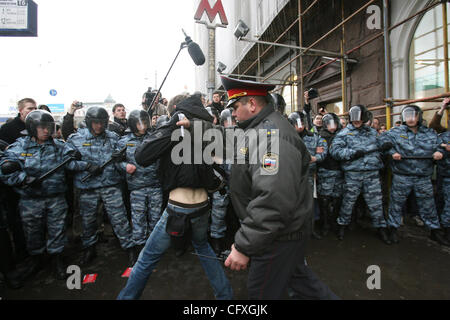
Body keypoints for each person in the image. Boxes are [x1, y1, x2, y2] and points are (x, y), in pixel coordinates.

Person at [220, 75, 338, 300]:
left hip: (277, 237)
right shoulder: (261, 129)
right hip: (280, 234)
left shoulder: (269, 135)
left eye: (235, 107)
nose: (233, 113)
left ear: (252, 104)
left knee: (261, 294)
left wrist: (244, 246)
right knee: (304, 286)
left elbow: (273, 199)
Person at [117, 94, 233, 300]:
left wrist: (171, 127)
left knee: (147, 258)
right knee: (203, 248)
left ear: (176, 111)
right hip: (202, 205)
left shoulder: (183, 131)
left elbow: (142, 156)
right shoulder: (205, 129)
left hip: (179, 207)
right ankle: (225, 296)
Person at [0, 110, 71, 280]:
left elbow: (73, 161)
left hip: (55, 197)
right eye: (41, 127)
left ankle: (57, 259)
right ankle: (36, 259)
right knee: (32, 232)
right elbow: (4, 170)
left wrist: (77, 158)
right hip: (30, 200)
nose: (46, 131)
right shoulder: (18, 147)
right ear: (32, 128)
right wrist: (23, 178)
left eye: (48, 127)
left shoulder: (60, 146)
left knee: (58, 230)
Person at [63, 106, 137, 266]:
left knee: (120, 219)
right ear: (89, 122)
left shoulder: (114, 137)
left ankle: (129, 248)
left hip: (110, 185)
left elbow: (121, 160)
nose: (99, 126)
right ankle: (89, 249)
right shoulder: (76, 139)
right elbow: (67, 163)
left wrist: (121, 159)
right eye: (96, 123)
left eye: (102, 123)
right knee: (88, 221)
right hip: (88, 188)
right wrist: (85, 166)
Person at [380, 105, 448, 245]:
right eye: (408, 115)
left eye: (414, 115)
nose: (411, 119)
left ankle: (434, 231)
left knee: (428, 205)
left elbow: (441, 146)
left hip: (423, 177)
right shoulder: (395, 132)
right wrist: (392, 152)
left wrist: (440, 152)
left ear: (419, 116)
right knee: (396, 205)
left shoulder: (430, 133)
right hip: (402, 175)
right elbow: (382, 142)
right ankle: (392, 229)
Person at [330, 105, 391, 244]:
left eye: (359, 118)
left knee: (376, 203)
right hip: (353, 174)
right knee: (348, 202)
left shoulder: (372, 133)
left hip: (372, 174)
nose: (356, 121)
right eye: (354, 118)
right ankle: (342, 226)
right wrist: (352, 153)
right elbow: (335, 151)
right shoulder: (344, 133)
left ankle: (381, 228)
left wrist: (386, 146)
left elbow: (383, 145)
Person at [116, 110, 163, 253]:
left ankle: (155, 246)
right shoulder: (124, 142)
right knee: (138, 218)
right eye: (139, 123)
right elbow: (117, 161)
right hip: (137, 187)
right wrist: (125, 166)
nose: (143, 126)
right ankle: (139, 246)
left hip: (155, 185)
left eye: (145, 122)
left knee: (156, 218)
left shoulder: (154, 137)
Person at [288, 111, 327, 239]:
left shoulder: (314, 137)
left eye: (301, 123)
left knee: (308, 204)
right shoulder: (286, 137)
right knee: (292, 204)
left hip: (308, 175)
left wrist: (315, 158)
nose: (299, 126)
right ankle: (293, 230)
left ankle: (310, 229)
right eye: (296, 124)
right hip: (291, 177)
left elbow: (322, 152)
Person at [317, 113, 344, 237]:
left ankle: (335, 224)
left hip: (339, 172)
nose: (332, 127)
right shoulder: (320, 137)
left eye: (334, 124)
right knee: (324, 200)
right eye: (329, 124)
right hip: (325, 172)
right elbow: (319, 154)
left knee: (338, 199)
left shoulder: (342, 135)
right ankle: (325, 225)